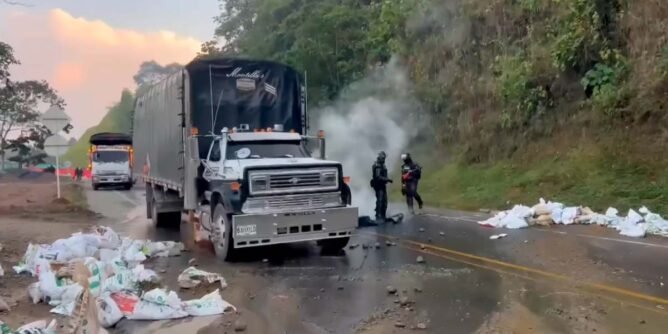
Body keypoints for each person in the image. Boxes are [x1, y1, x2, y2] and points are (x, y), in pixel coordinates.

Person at [370, 151, 392, 221]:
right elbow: (378, 177)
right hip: (378, 185)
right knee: (380, 200)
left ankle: (383, 215)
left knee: (384, 201)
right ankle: (378, 215)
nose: (384, 159)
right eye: (383, 157)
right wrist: (387, 179)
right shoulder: (378, 165)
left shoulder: (382, 164)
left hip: (382, 185)